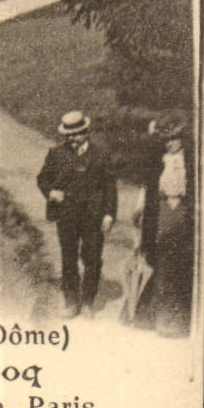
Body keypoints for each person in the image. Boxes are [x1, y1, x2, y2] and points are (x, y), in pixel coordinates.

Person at [36, 111, 118, 317]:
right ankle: (71, 301)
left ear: (86, 132)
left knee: (92, 258)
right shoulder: (57, 154)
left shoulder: (100, 154)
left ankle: (89, 302)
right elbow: (43, 179)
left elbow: (110, 186)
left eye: (77, 134)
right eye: (68, 135)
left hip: (93, 214)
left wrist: (109, 215)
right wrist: (51, 192)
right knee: (68, 258)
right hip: (67, 214)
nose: (72, 139)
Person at [136, 122, 193, 336]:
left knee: (178, 262)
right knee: (161, 259)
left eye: (175, 139)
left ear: (182, 140)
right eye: (168, 140)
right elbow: (148, 186)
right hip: (162, 210)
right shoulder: (161, 161)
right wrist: (140, 210)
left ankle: (177, 319)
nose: (172, 144)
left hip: (183, 210)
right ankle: (159, 317)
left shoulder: (190, 162)